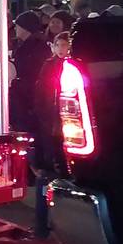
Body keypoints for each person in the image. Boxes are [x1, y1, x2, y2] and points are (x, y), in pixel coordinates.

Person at [34, 31, 71, 175]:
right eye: (58, 45)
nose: (61, 49)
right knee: (51, 143)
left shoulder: (72, 64)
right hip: (50, 110)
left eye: (64, 45)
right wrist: (40, 108)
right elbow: (41, 88)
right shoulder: (49, 65)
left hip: (65, 111)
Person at [10, 11, 50, 134]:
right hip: (26, 97)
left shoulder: (35, 48)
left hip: (28, 99)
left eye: (17, 25)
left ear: (25, 28)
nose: (15, 28)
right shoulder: (26, 45)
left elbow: (31, 72)